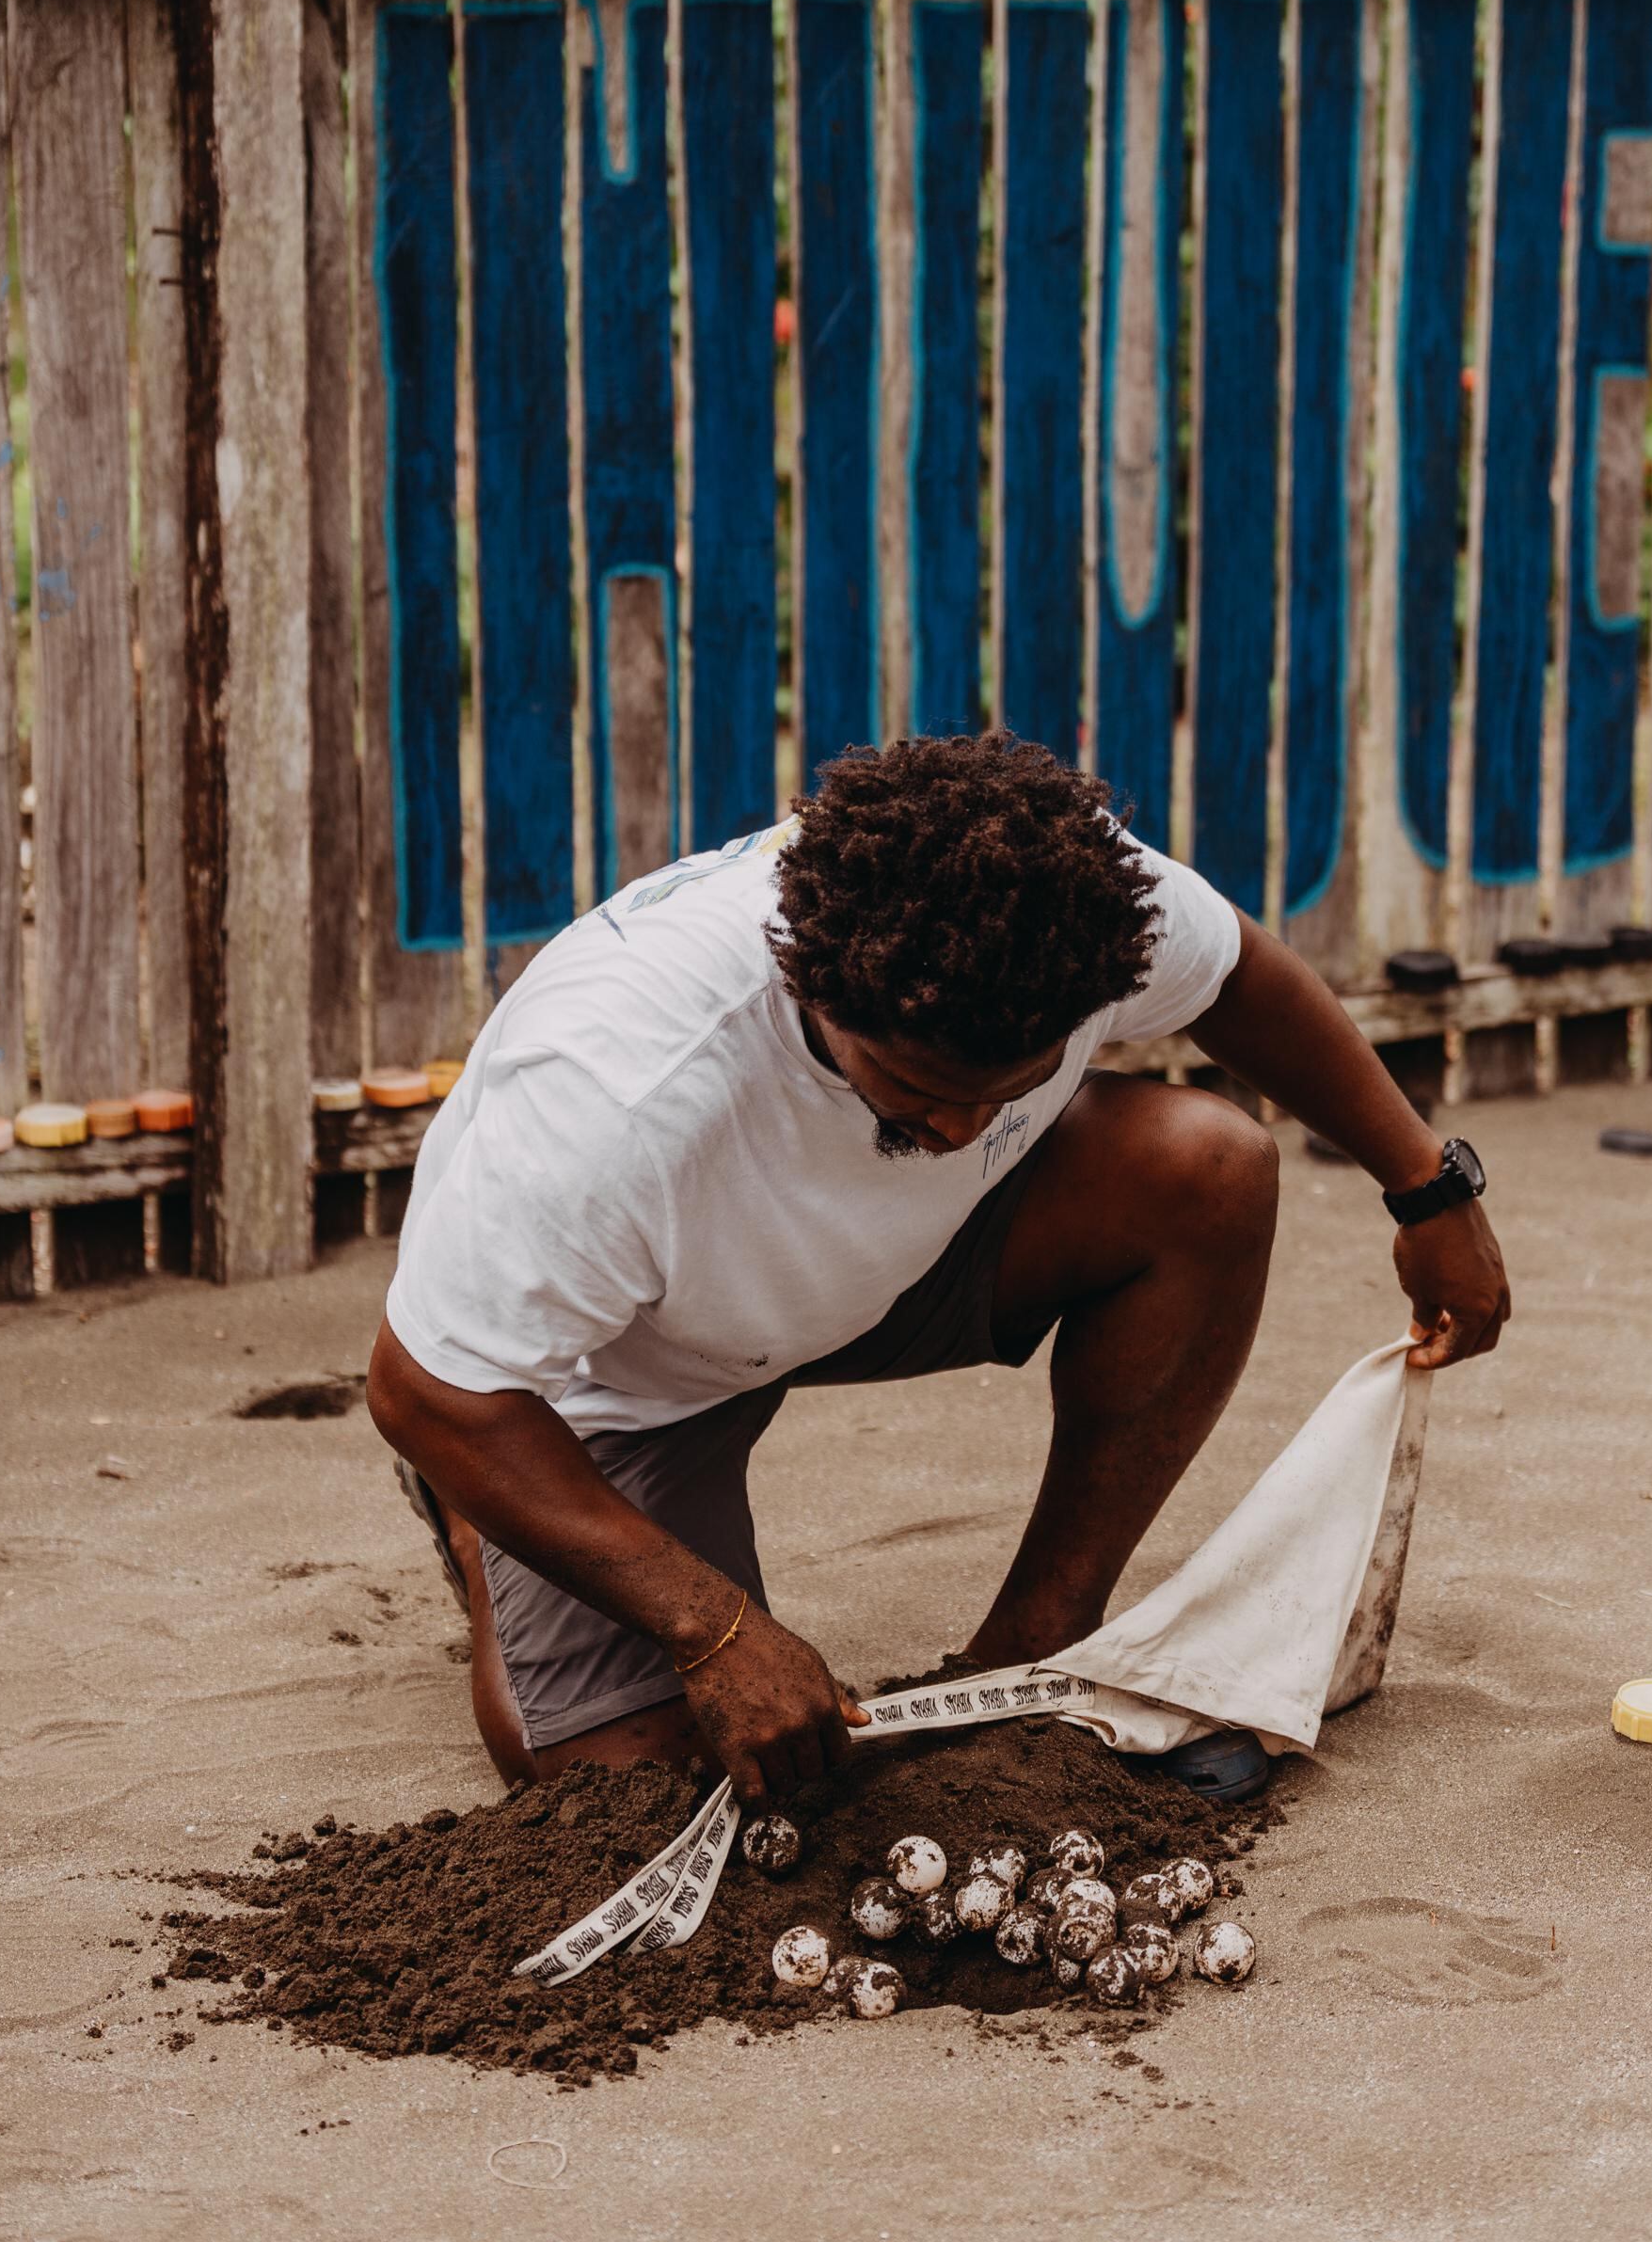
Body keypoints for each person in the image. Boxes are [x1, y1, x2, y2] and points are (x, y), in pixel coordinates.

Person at [368, 734, 1508, 1812]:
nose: (962, 1133)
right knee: (629, 1781)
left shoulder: (1067, 912)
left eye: (1005, 1089)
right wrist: (712, 1629)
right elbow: (422, 1391)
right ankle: (484, 1515)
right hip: (624, 1360)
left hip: (880, 1270)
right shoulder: (615, 1092)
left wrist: (1426, 1189)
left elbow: (1241, 979)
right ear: (812, 987)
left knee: (1206, 1165)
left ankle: (1035, 1647)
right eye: (909, 1090)